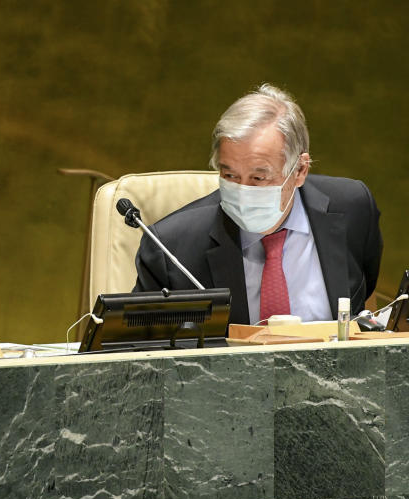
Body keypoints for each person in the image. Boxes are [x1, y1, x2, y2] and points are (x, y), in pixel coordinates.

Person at [133, 84, 382, 326]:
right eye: (230, 176)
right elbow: (138, 351)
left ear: (300, 171)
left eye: (258, 178)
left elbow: (363, 303)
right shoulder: (171, 248)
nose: (242, 191)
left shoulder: (353, 209)